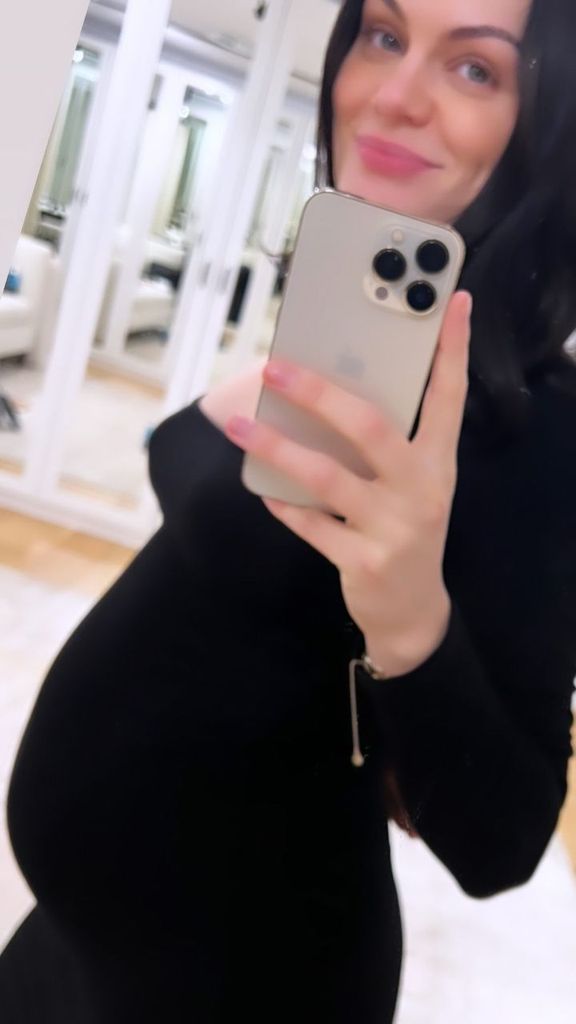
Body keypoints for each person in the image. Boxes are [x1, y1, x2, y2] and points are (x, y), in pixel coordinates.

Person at [2, 0, 576, 1021]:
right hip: (79, 943)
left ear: (549, 122)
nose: (395, 94)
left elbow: (504, 843)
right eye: (385, 35)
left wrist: (410, 617)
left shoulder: (533, 423)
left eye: (476, 69)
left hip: (248, 976)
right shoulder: (355, 323)